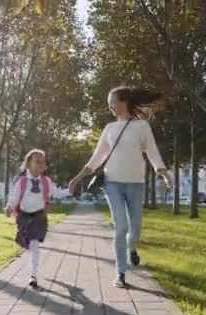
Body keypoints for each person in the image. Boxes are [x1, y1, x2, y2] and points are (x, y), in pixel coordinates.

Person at [69, 86, 172, 288]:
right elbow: (97, 157)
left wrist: (165, 174)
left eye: (112, 103)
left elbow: (152, 152)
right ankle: (120, 273)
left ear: (123, 101)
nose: (110, 107)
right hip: (112, 182)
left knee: (135, 231)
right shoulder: (109, 129)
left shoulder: (142, 126)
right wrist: (78, 177)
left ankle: (132, 249)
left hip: (136, 184)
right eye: (109, 104)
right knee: (121, 226)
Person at [5, 149, 71, 288]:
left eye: (43, 162)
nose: (41, 164)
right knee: (28, 245)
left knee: (34, 245)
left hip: (38, 217)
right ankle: (32, 265)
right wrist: (9, 207)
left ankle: (32, 275)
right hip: (23, 217)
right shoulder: (22, 181)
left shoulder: (45, 181)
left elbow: (57, 193)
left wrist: (69, 190)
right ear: (28, 164)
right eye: (37, 161)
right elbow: (14, 197)